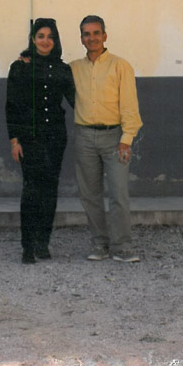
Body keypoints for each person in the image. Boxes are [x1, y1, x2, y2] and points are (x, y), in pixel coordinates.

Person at [70, 15, 143, 262]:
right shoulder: (73, 69)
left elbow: (130, 105)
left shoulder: (121, 66)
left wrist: (127, 139)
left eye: (96, 33)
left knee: (118, 193)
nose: (92, 38)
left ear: (105, 36)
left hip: (114, 138)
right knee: (89, 194)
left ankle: (122, 246)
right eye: (86, 34)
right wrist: (26, 59)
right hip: (84, 137)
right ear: (81, 38)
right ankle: (99, 244)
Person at [5, 18, 75, 265]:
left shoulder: (63, 69)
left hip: (55, 137)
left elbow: (78, 100)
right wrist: (15, 141)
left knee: (50, 190)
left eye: (50, 37)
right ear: (33, 40)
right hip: (29, 138)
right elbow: (12, 106)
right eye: (41, 36)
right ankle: (27, 245)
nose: (46, 41)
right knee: (31, 190)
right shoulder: (20, 67)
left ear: (55, 41)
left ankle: (43, 242)